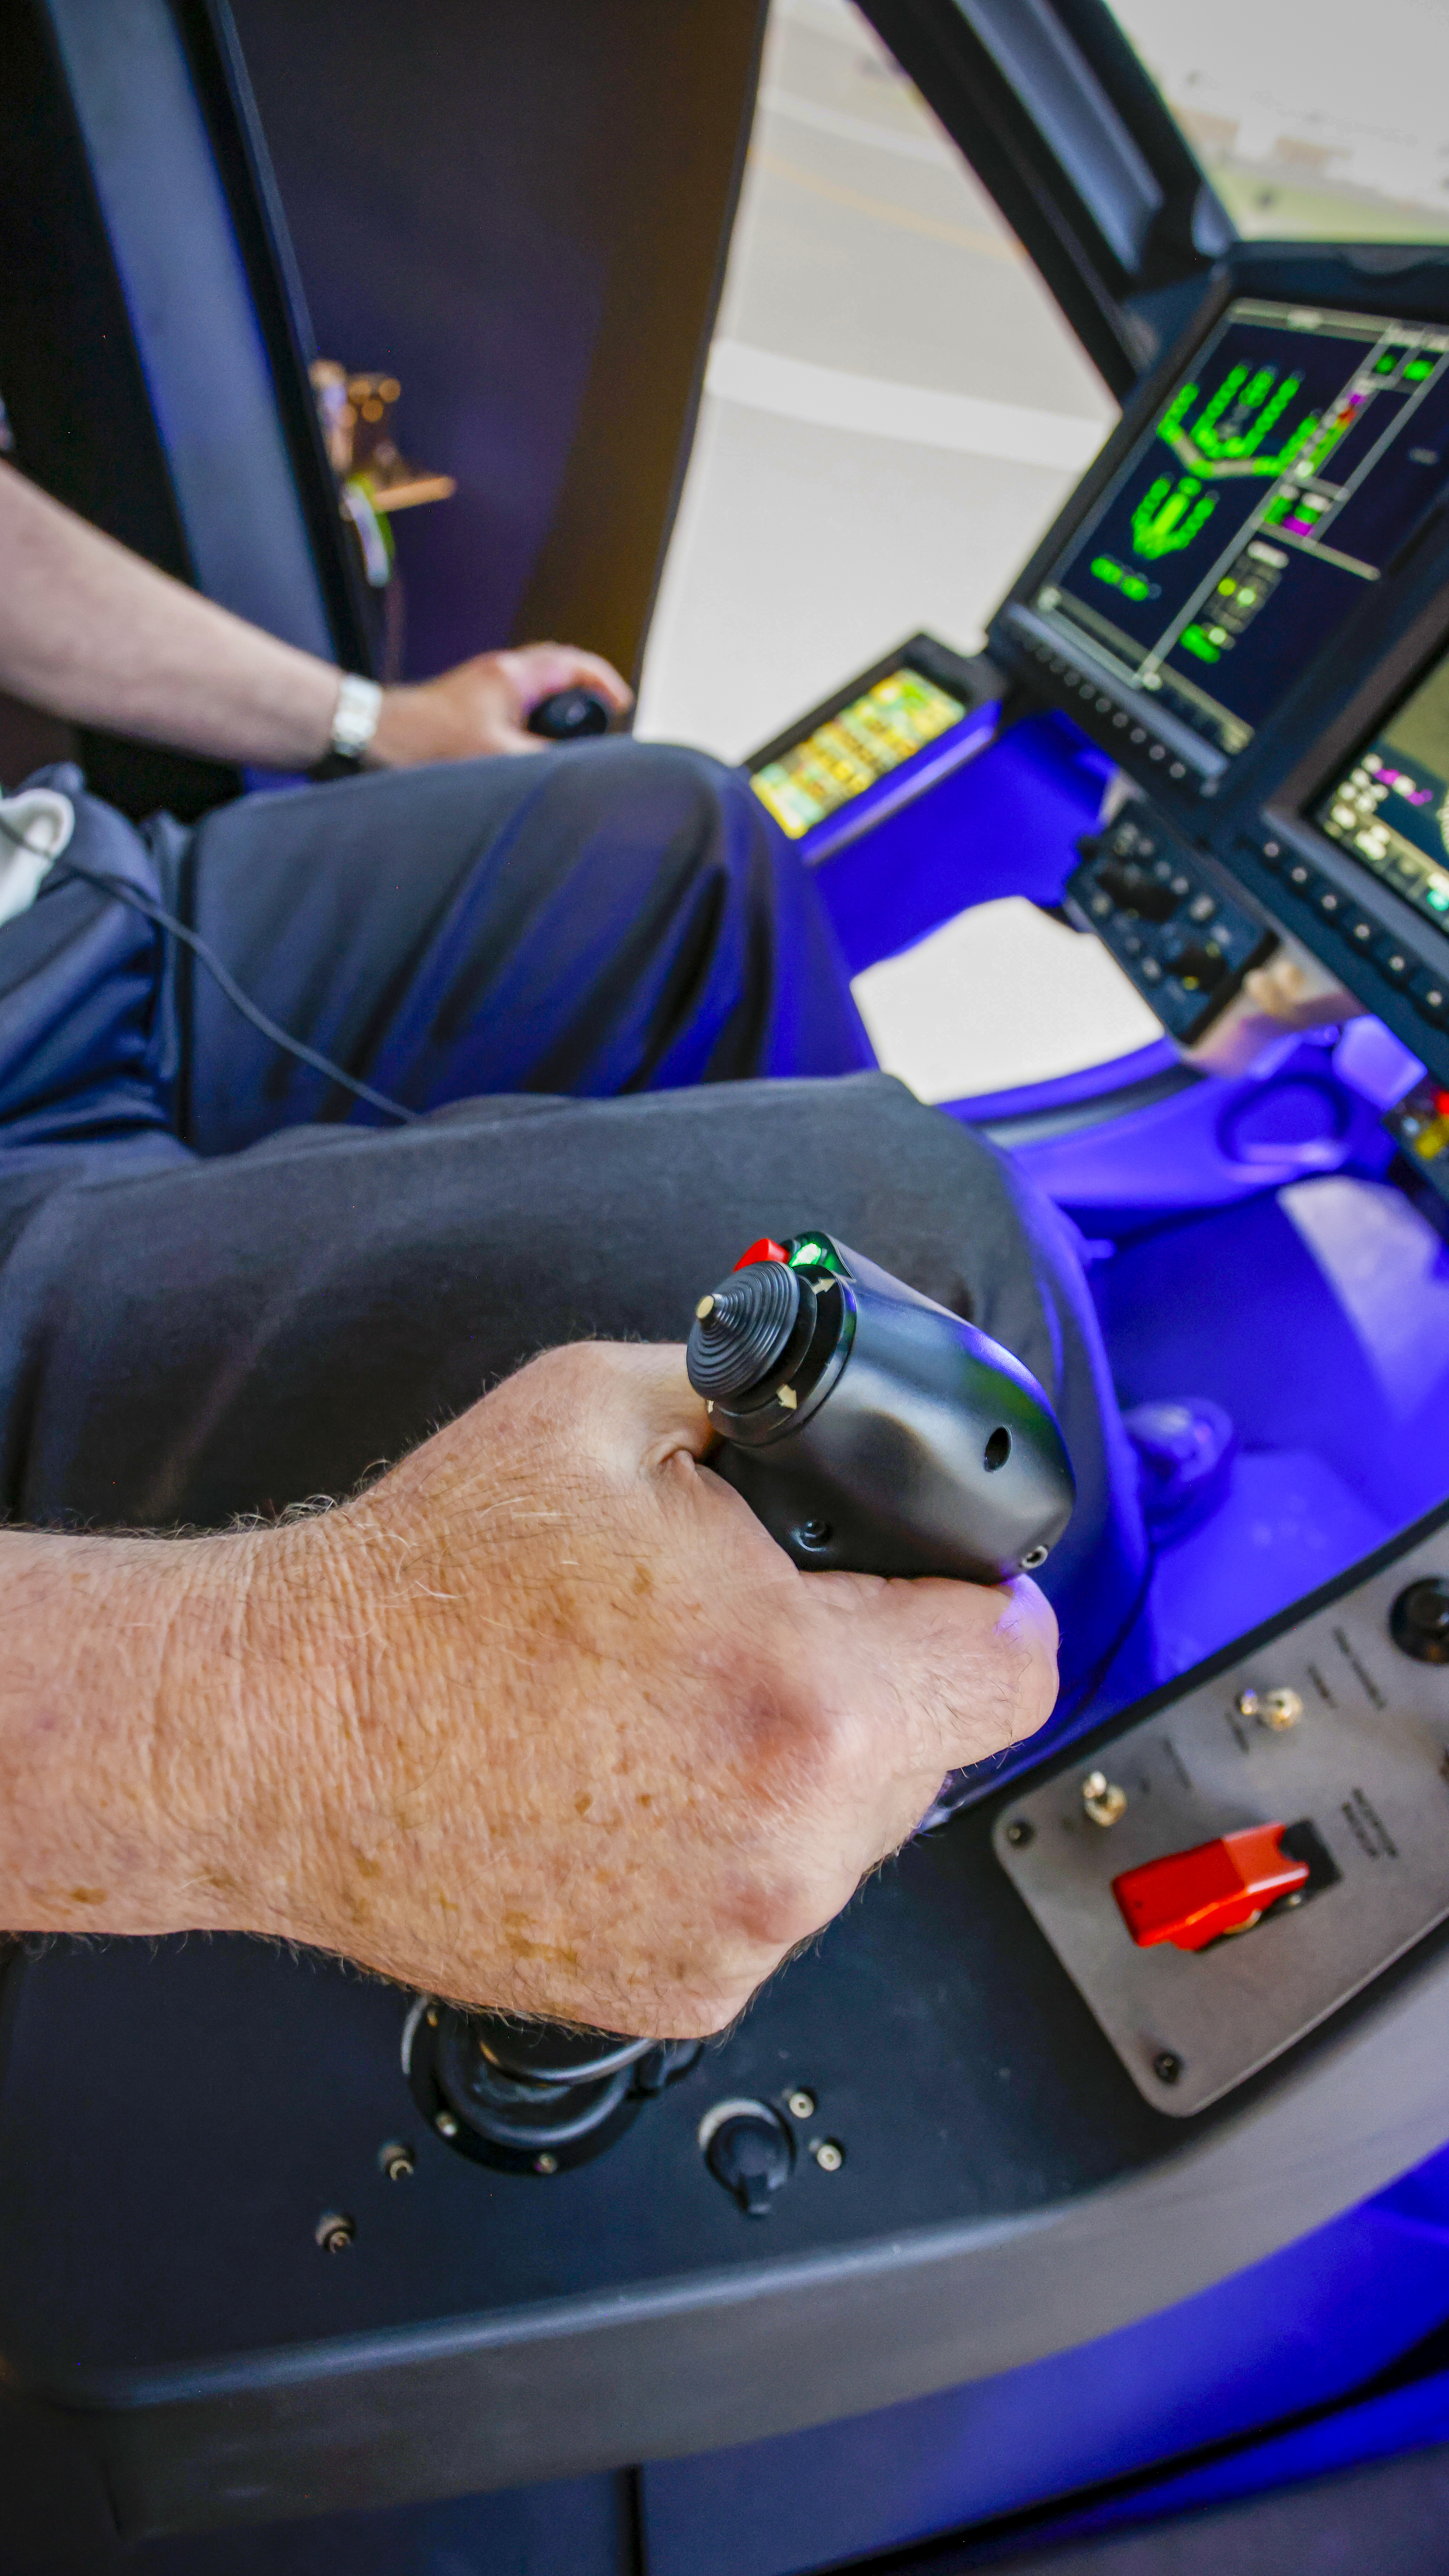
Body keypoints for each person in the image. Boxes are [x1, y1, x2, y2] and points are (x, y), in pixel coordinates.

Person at [0, 455, 1147, 2038]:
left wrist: (373, 721)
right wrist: (303, 1702)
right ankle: (1034, 1868)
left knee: (680, 836)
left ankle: (813, 1665)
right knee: (930, 1250)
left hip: (45, 927)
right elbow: (298, 1701)